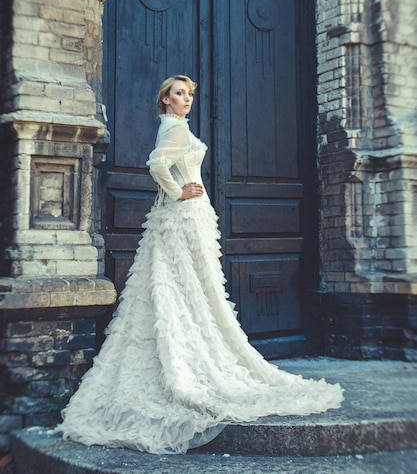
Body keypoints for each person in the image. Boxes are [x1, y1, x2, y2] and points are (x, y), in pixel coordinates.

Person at [59, 74, 343, 455]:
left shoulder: (175, 127)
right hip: (182, 217)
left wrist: (180, 192)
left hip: (187, 217)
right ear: (165, 100)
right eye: (179, 93)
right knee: (180, 283)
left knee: (186, 285)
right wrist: (179, 193)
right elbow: (157, 164)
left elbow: (165, 165)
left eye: (189, 93)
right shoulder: (173, 130)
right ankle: (182, 363)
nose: (187, 98)